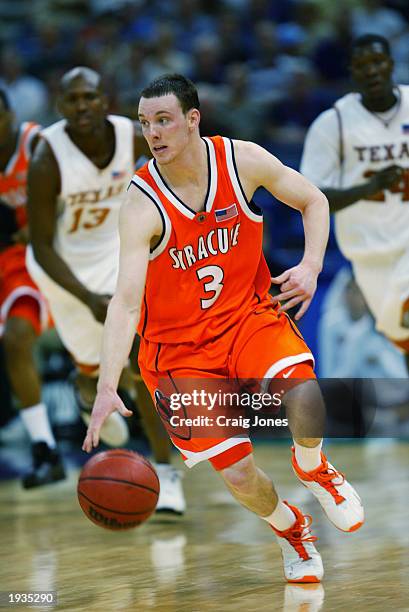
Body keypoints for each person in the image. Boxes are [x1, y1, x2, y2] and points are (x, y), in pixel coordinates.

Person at [83, 74, 364, 583]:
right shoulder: (140, 204)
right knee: (236, 472)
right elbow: (124, 304)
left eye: (164, 120)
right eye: (146, 124)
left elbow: (313, 201)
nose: (154, 133)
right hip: (179, 351)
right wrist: (106, 384)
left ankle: (314, 465)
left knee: (303, 393)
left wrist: (310, 266)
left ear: (193, 119)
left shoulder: (242, 160)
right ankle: (290, 529)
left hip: (245, 316)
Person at [26, 67, 185, 514]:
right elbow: (40, 245)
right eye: (72, 99)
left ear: (105, 100)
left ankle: (166, 474)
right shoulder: (47, 157)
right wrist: (85, 297)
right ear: (60, 106)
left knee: (140, 364)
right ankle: (86, 395)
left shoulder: (131, 136)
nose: (82, 106)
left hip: (120, 259)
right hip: (65, 272)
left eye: (90, 97)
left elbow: (177, 164)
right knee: (90, 368)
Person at [300, 34, 409, 368]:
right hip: (371, 256)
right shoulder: (333, 124)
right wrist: (368, 187)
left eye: (378, 62)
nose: (372, 71)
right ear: (351, 72)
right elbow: (312, 199)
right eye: (362, 65)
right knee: (404, 345)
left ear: (391, 63)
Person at [0, 88, 65, 488]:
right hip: (8, 262)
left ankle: (45, 446)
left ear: (8, 114)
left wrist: (42, 221)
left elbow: (72, 195)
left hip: (44, 260)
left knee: (18, 338)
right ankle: (44, 447)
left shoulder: (36, 142)